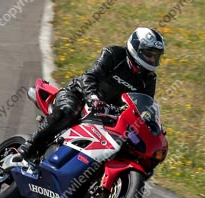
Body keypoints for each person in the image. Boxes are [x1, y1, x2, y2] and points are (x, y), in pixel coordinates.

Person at [14, 28, 165, 165]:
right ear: (136, 48)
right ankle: (28, 147)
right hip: (79, 95)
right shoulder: (114, 55)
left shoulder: (149, 79)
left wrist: (152, 124)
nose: (152, 59)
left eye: (156, 56)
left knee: (128, 144)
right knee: (69, 110)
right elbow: (89, 77)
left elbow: (144, 105)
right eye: (149, 54)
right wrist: (93, 98)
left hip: (108, 113)